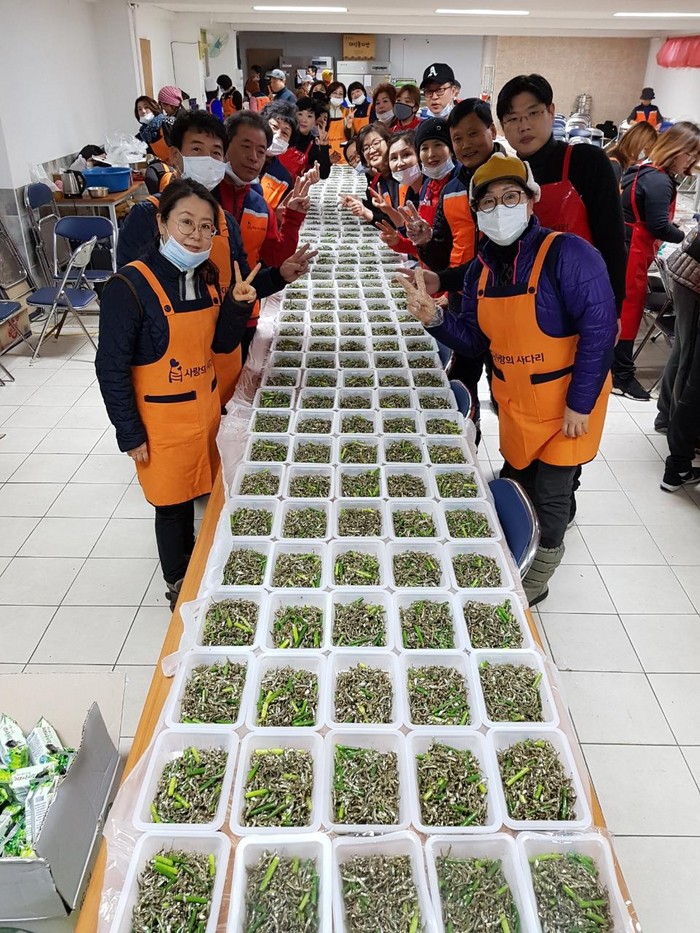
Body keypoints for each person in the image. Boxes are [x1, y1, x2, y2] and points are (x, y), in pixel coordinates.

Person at [398, 153, 617, 605]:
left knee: (553, 493)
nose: (500, 209)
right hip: (516, 403)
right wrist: (434, 318)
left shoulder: (570, 254)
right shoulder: (480, 271)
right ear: (477, 213)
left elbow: (599, 332)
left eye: (511, 197)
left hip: (566, 402)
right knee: (519, 477)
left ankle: (538, 574)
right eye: (488, 202)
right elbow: (476, 341)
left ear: (531, 200)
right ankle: (517, 548)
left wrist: (580, 403)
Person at [96, 179, 259, 609]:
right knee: (172, 507)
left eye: (207, 227)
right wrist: (129, 433)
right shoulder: (129, 286)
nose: (197, 235)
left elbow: (220, 345)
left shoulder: (205, 277)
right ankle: (177, 581)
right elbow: (110, 368)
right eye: (186, 222)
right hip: (161, 425)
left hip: (204, 412)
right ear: (162, 223)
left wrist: (237, 305)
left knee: (203, 491)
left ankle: (203, 565)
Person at [117, 110, 308, 403]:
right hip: (167, 366)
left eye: (215, 153)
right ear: (175, 156)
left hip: (219, 349)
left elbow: (242, 284)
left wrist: (279, 275)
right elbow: (126, 309)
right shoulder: (148, 215)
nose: (208, 160)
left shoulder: (225, 222)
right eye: (197, 150)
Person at [613, 122, 700, 399]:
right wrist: (685, 235)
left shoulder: (644, 170)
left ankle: (616, 369)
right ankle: (621, 375)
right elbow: (659, 226)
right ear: (676, 150)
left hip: (627, 247)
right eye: (690, 154)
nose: (691, 161)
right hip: (632, 252)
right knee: (628, 310)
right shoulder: (659, 181)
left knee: (624, 309)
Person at [218, 111, 315, 358]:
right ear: (225, 147)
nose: (253, 157)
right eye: (245, 146)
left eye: (261, 151)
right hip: (203, 313)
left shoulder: (259, 205)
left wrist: (292, 219)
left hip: (245, 310)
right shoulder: (203, 197)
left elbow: (273, 258)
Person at [657, 223, 700, 491]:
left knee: (684, 351)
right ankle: (679, 462)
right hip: (694, 281)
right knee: (692, 369)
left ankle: (666, 418)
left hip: (687, 276)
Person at [377, 118, 456, 260]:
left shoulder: (450, 186)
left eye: (406, 155)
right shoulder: (419, 190)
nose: (400, 163)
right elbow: (422, 243)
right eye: (393, 158)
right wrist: (397, 242)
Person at [279, 97, 332, 181]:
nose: (303, 120)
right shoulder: (283, 134)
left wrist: (324, 146)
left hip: (293, 187)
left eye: (309, 116)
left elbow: (323, 173)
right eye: (300, 114)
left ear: (315, 121)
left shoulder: (312, 143)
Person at [259, 101, 297, 210]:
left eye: (285, 133)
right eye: (274, 127)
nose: (277, 135)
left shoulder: (283, 179)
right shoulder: (240, 157)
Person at [606, 121, 658, 186]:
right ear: (634, 142)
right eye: (645, 149)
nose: (645, 155)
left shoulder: (623, 165)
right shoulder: (614, 165)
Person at [134, 96, 172, 165]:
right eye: (139, 109)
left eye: (146, 107)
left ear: (153, 108)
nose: (143, 111)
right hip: (165, 168)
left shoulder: (167, 123)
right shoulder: (143, 134)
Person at [326, 81, 351, 157]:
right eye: (334, 93)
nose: (337, 96)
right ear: (329, 94)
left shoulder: (347, 112)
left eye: (340, 94)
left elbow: (350, 136)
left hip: (343, 153)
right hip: (326, 151)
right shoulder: (324, 111)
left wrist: (349, 126)